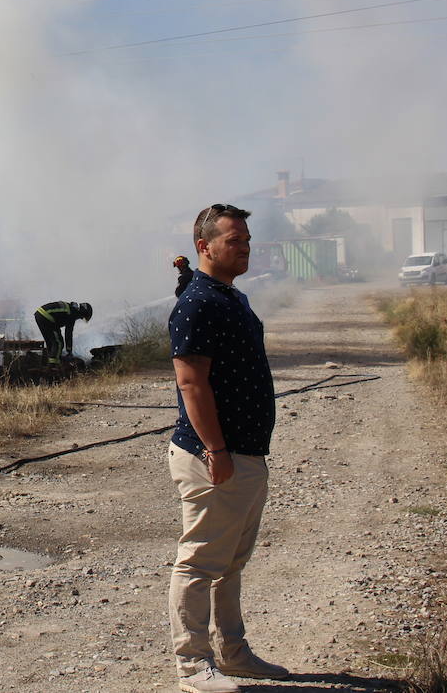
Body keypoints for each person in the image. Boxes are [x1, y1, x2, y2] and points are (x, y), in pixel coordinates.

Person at [166, 204, 288, 693]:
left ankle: (233, 653)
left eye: (247, 240)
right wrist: (216, 451)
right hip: (214, 456)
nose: (245, 248)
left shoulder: (230, 297)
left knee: (230, 563)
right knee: (199, 562)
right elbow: (191, 383)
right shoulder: (198, 303)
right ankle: (192, 666)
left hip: (245, 452)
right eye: (234, 240)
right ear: (205, 246)